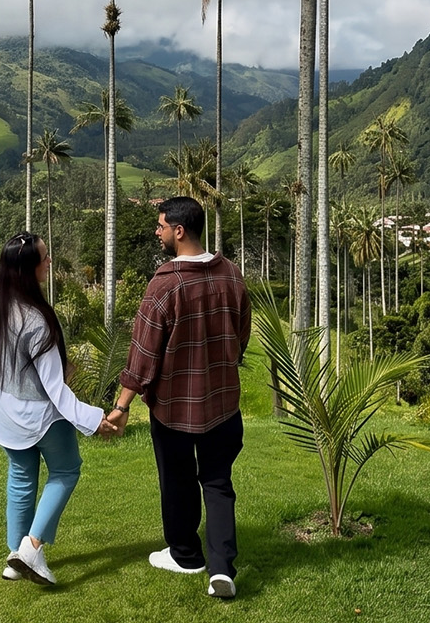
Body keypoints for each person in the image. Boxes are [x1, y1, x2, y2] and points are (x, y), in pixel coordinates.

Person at [104, 196, 251, 600]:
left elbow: (143, 354)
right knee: (218, 482)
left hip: (173, 410)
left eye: (161, 226)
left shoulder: (165, 284)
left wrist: (121, 407)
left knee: (178, 480)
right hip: (223, 404)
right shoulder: (232, 276)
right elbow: (240, 337)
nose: (157, 231)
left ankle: (187, 555)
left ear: (179, 231)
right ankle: (222, 569)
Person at [0, 231, 114, 585]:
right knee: (66, 472)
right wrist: (94, 419)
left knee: (21, 478)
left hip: (4, 412)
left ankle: (15, 558)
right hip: (39, 416)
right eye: (45, 257)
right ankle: (31, 548)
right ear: (29, 269)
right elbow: (55, 390)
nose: (50, 261)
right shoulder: (37, 321)